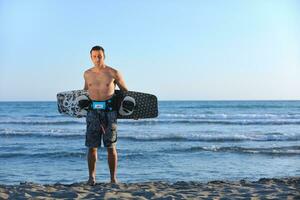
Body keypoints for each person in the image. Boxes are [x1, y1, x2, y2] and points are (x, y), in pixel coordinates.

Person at [83, 45, 128, 185]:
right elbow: (84, 93)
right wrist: (79, 110)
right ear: (91, 57)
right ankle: (91, 178)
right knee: (92, 147)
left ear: (104, 56)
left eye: (100, 56)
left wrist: (132, 112)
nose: (97, 59)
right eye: (94, 56)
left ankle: (113, 179)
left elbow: (125, 93)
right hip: (92, 113)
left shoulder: (114, 72)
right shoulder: (87, 73)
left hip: (110, 112)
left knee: (111, 147)